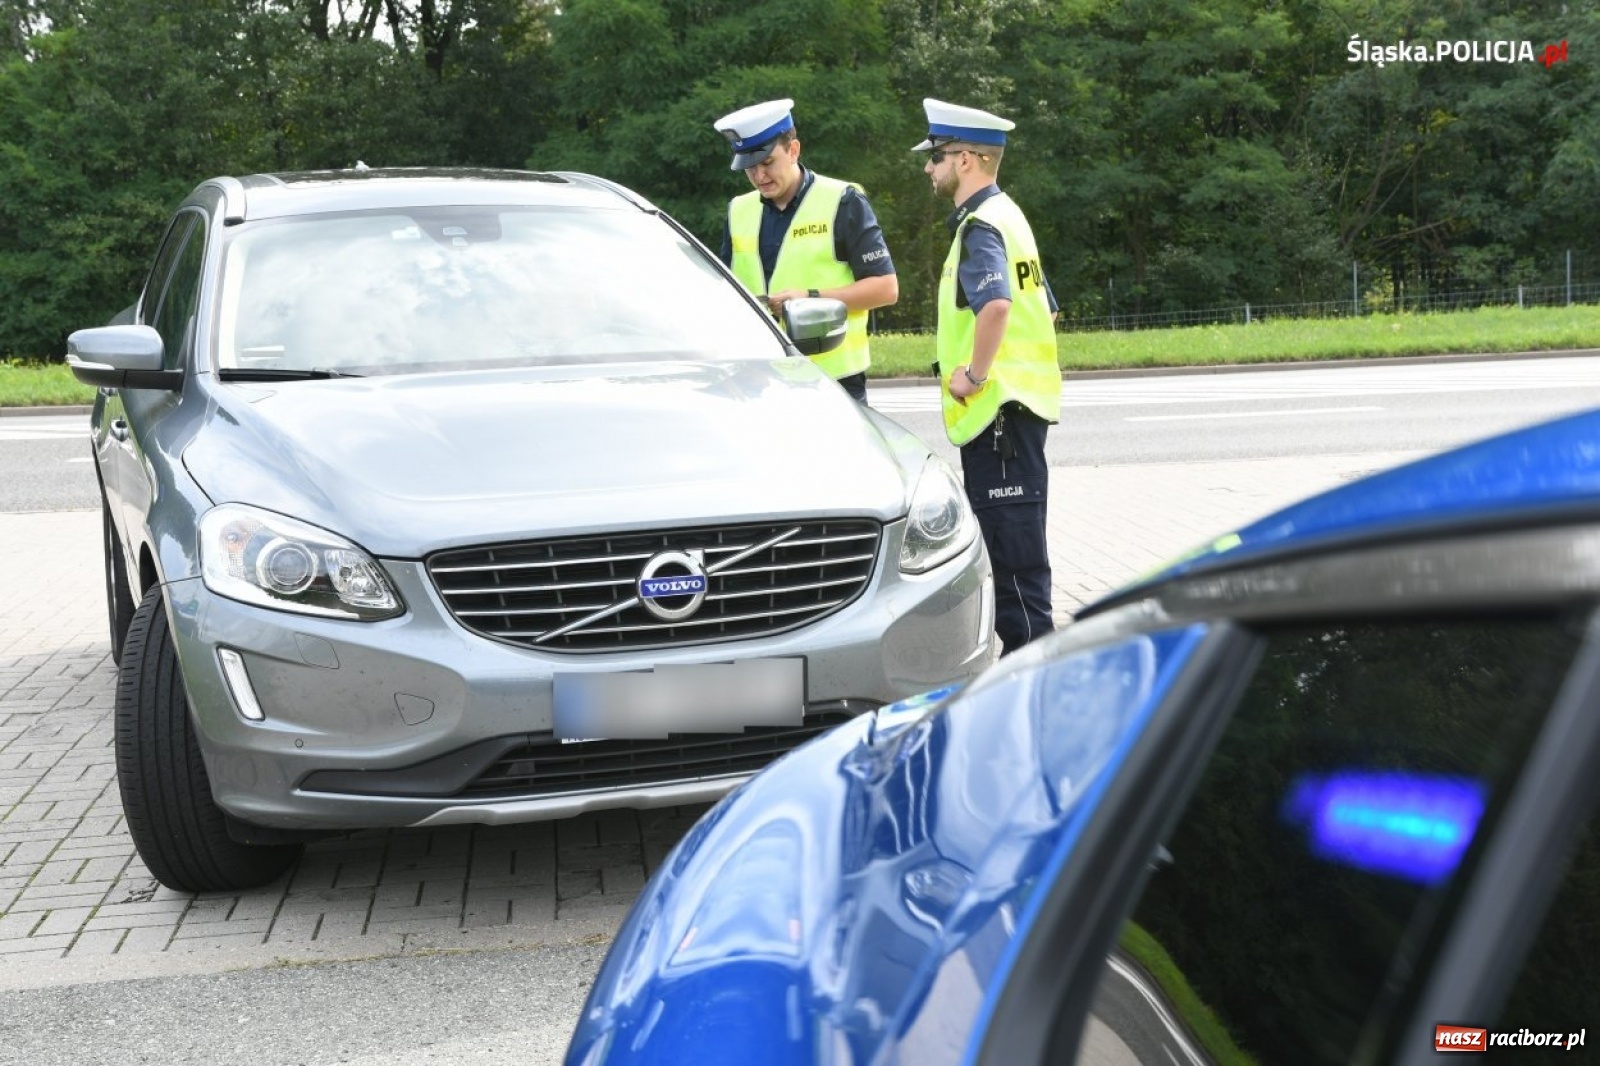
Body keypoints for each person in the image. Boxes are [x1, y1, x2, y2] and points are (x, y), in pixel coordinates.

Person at [914, 98, 1060, 655]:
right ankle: (1031, 669)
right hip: (1018, 415)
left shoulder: (980, 226)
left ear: (968, 159)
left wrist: (973, 375)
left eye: (937, 156)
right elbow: (1044, 309)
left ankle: (1034, 679)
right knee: (1020, 559)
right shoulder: (1010, 216)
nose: (930, 167)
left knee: (1015, 570)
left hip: (998, 418)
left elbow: (997, 306)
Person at [714, 98, 898, 404]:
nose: (759, 176)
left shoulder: (844, 200)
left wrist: (810, 298)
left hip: (833, 383)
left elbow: (886, 289)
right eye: (749, 167)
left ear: (793, 150)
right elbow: (726, 295)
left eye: (767, 162)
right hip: (761, 383)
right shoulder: (738, 210)